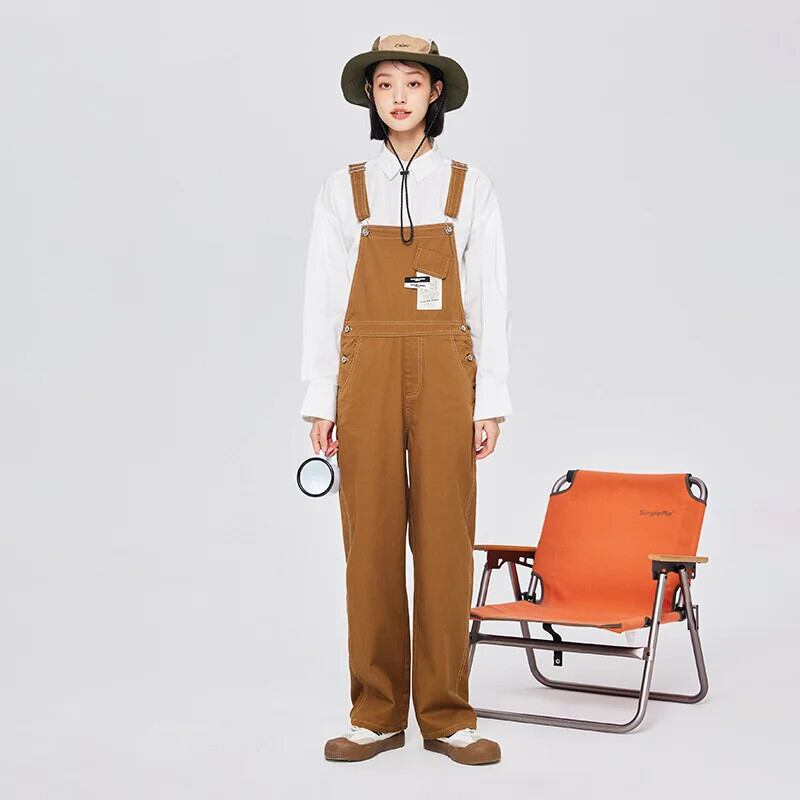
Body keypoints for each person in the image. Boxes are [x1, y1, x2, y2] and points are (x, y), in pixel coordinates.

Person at [299, 33, 512, 766]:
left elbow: (490, 298)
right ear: (369, 94)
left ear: (435, 94)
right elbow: (323, 299)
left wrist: (491, 399)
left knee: (447, 541)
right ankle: (376, 713)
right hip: (365, 371)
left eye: (412, 83)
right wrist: (320, 398)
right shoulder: (344, 188)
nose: (398, 96)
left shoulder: (468, 186)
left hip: (449, 372)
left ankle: (449, 716)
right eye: (385, 83)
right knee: (370, 543)